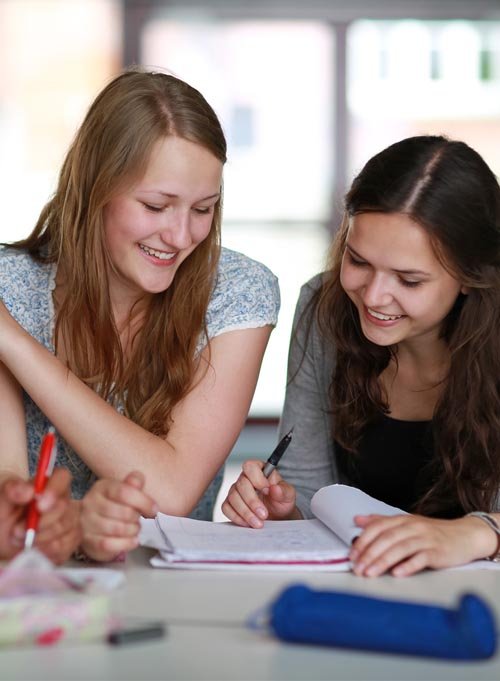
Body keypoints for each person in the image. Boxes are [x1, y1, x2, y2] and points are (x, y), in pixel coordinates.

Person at [0, 68, 279, 562]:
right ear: (94, 190)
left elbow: (170, 490)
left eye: (203, 209)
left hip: (173, 601)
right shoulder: (10, 288)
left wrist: (16, 345)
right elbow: (11, 504)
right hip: (37, 599)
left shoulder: (237, 293)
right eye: (156, 206)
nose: (181, 236)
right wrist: (77, 524)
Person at [222, 135, 500, 577]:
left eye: (409, 281)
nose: (373, 296)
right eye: (358, 260)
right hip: (359, 593)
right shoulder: (324, 308)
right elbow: (311, 500)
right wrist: (281, 514)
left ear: (470, 277)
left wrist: (474, 533)